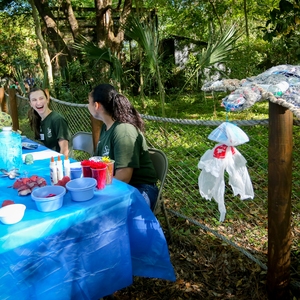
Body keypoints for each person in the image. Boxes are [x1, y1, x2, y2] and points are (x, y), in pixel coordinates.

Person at [88, 83, 159, 210]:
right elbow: (97, 163)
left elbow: (124, 176)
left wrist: (97, 187)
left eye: (88, 103)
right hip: (117, 186)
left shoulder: (123, 131)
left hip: (139, 189)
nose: (87, 106)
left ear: (96, 105)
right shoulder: (105, 128)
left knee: (105, 214)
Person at [28, 88, 71, 157]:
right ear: (30, 104)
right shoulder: (38, 119)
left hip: (58, 161)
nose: (38, 103)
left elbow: (64, 151)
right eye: (34, 100)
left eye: (41, 98)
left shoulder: (57, 120)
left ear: (47, 100)